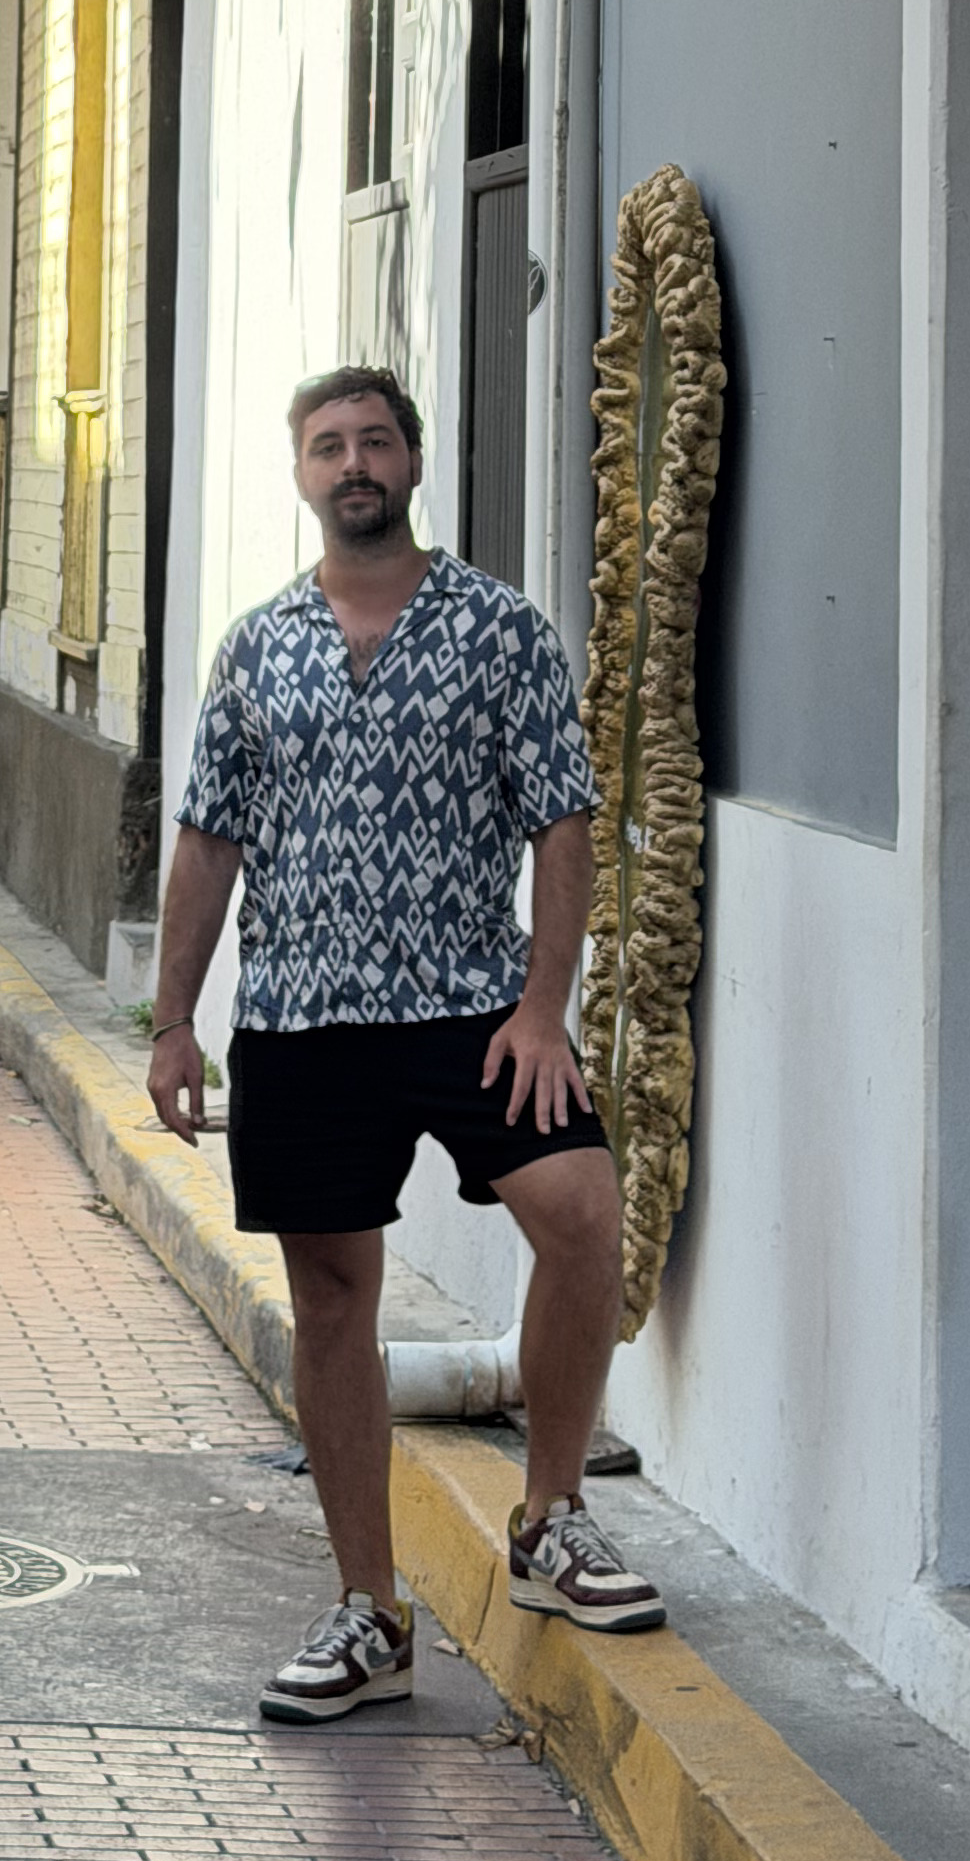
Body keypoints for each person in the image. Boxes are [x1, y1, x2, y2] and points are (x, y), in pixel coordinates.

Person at [147, 363, 666, 1724]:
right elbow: (207, 842)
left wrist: (545, 1005)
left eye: (375, 440)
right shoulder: (258, 648)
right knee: (333, 1302)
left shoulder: (501, 630)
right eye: (328, 445)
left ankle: (551, 1520)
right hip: (302, 1015)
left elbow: (563, 822)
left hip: (475, 1005)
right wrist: (173, 1021)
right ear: (302, 475)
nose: (354, 463)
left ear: (415, 463)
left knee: (583, 1215)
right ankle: (369, 1612)